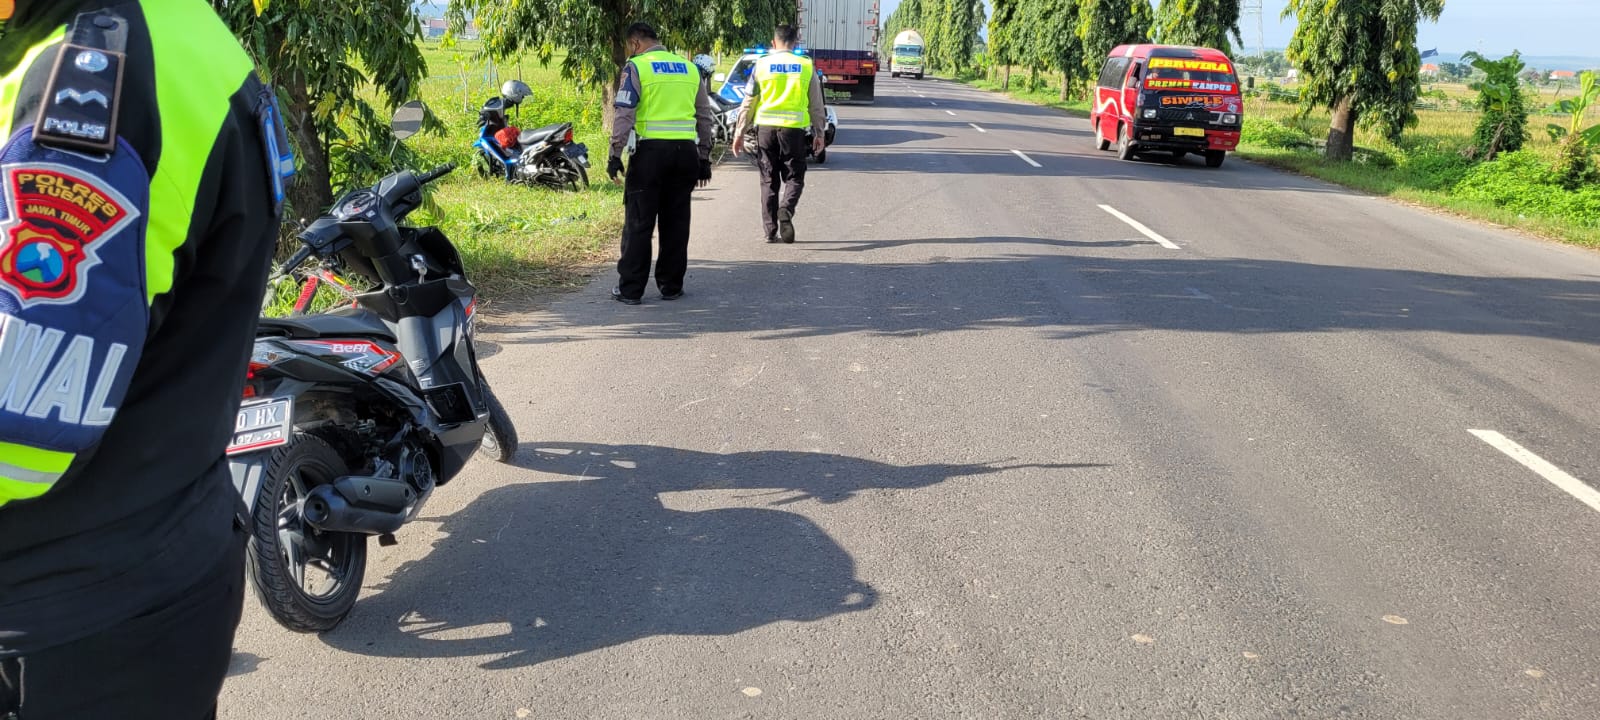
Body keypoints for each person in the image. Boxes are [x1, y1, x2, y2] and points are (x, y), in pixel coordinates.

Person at [0, 0, 287, 717]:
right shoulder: (175, 38)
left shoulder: (100, 70)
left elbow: (22, 422)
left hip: (70, 619)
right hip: (142, 572)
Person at [606, 22, 715, 305]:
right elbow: (704, 116)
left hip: (649, 155)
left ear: (634, 43)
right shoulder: (689, 68)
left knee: (639, 223)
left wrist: (615, 153)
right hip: (685, 155)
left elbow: (624, 112)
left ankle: (631, 290)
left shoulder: (637, 66)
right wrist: (704, 156)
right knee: (677, 222)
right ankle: (671, 285)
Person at [731, 24, 826, 244]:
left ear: (774, 43)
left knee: (768, 179)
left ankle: (770, 230)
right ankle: (786, 209)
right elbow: (816, 104)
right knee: (794, 177)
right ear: (795, 43)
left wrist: (739, 132)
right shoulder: (805, 65)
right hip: (793, 130)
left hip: (765, 130)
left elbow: (749, 102)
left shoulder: (762, 65)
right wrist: (819, 132)